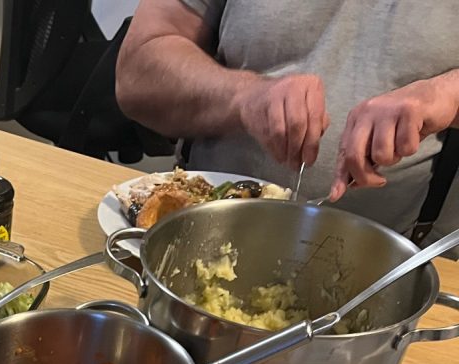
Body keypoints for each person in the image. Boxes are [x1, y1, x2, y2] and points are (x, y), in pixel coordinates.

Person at [116, 0, 459, 239]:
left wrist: (445, 93)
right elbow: (137, 72)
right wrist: (244, 96)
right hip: (198, 231)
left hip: (397, 267)